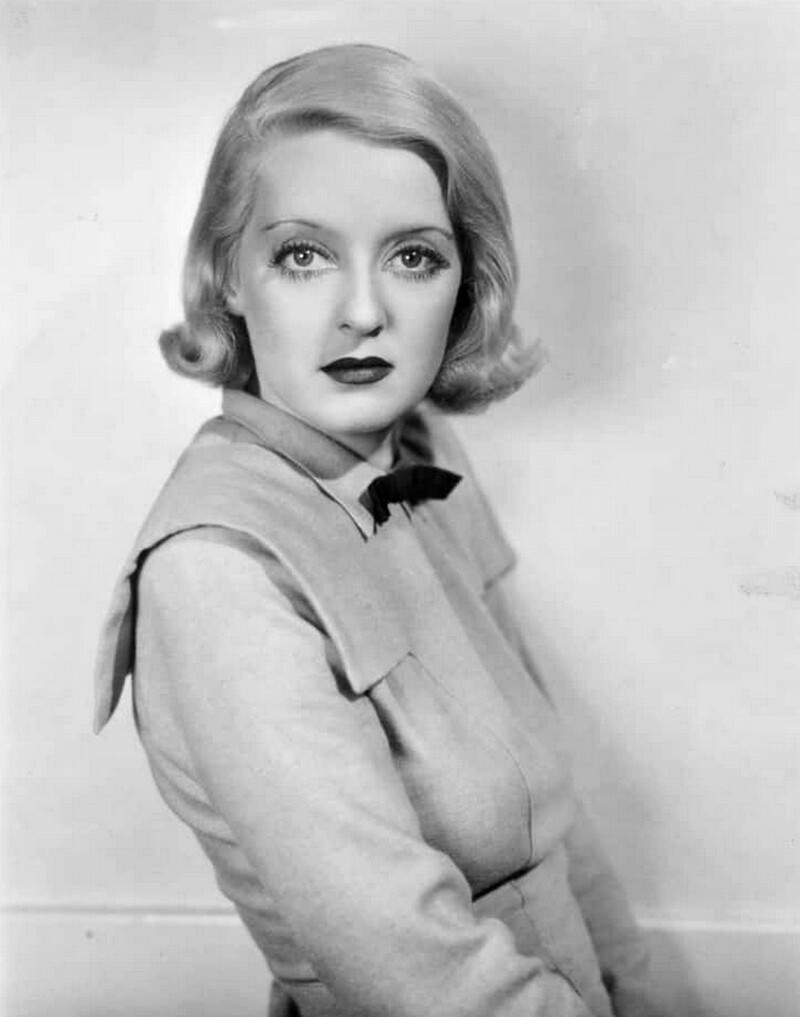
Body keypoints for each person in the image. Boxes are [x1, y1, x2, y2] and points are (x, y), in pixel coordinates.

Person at [95, 43, 665, 1017]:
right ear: (226, 275)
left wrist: (641, 995)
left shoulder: (422, 451)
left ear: (466, 279)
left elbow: (556, 820)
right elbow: (415, 972)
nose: (362, 312)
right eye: (302, 254)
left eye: (412, 257)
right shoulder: (216, 567)